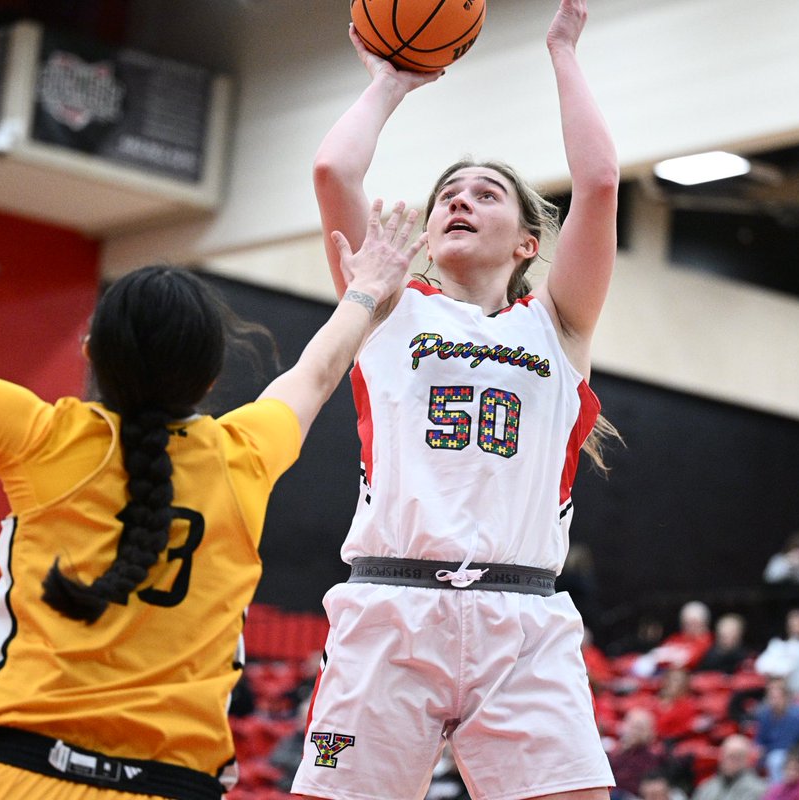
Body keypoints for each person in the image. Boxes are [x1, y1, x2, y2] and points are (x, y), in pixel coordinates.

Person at [0, 202, 423, 800]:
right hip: (172, 785)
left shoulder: (36, 435)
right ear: (210, 378)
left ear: (91, 352)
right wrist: (366, 292)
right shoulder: (244, 457)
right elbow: (316, 372)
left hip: (12, 778)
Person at [292, 2, 621, 799]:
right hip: (390, 607)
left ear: (526, 243)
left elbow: (600, 182)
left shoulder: (558, 323)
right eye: (448, 194)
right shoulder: (384, 302)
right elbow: (334, 173)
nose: (459, 201)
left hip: (523, 617)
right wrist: (388, 82)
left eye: (484, 194)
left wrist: (563, 51)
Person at [690, 735, 767, 800]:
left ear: (747, 760)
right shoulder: (706, 788)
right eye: (727, 756)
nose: (730, 762)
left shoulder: (759, 789)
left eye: (737, 757)